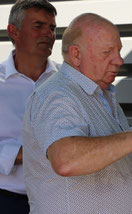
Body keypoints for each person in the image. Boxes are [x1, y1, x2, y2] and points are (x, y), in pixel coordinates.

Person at [22, 13, 132, 213]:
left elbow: (111, 164)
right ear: (76, 55)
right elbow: (66, 161)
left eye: (119, 50)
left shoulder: (100, 93)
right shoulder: (57, 94)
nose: (120, 60)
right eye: (107, 52)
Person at [0, 0, 58, 213]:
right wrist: (24, 153)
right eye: (38, 26)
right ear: (14, 31)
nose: (49, 34)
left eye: (52, 28)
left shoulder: (69, 82)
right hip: (6, 201)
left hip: (60, 201)